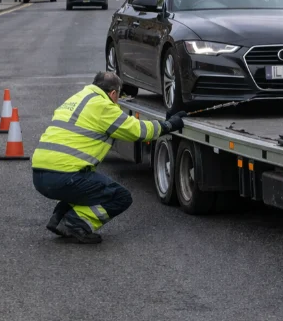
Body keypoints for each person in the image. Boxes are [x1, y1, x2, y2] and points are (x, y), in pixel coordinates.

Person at [31, 72, 186, 243]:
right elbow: (137, 130)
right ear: (113, 94)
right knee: (119, 197)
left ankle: (59, 220)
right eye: (119, 96)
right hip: (64, 177)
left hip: (40, 175)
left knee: (88, 186)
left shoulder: (76, 98)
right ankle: (75, 223)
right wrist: (168, 125)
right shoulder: (103, 106)